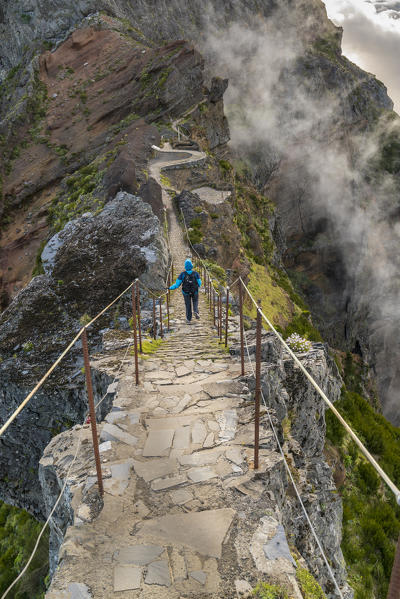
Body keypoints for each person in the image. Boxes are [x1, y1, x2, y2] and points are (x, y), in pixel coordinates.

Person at [169, 259, 202, 324]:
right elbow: (200, 283)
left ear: (185, 266)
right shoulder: (196, 274)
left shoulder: (182, 274)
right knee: (195, 301)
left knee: (188, 304)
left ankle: (188, 319)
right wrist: (197, 286)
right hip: (194, 291)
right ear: (191, 266)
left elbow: (177, 285)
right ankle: (195, 311)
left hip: (186, 292)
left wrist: (170, 288)